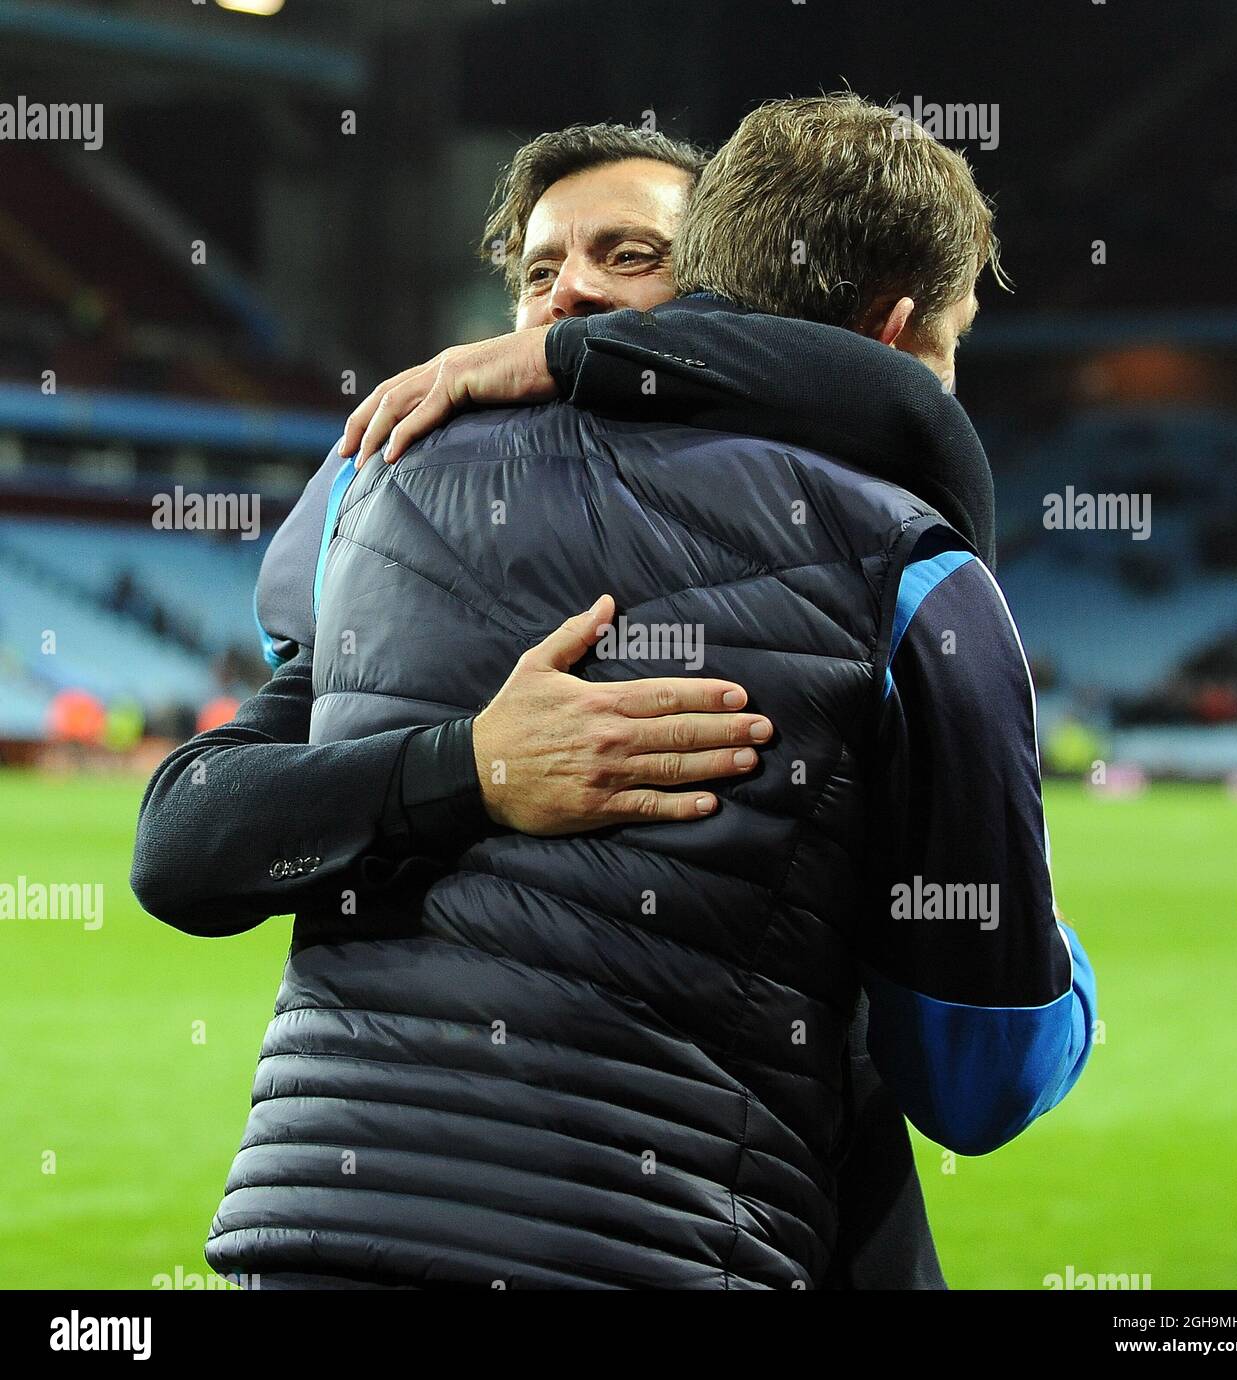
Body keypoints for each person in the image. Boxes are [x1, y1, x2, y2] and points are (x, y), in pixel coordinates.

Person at [134, 100, 1077, 1288]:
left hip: (344, 1231)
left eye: (629, 256)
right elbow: (185, 845)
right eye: (538, 271)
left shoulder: (379, 524)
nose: (569, 294)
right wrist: (466, 768)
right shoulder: (392, 518)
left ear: (728, 298)